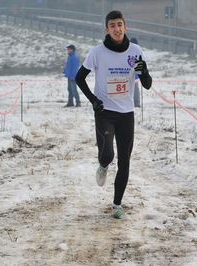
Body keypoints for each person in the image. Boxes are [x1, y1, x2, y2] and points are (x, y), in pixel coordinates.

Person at [75, 10, 152, 220]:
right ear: (107, 29)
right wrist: (94, 100)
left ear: (125, 27)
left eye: (120, 24)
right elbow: (79, 78)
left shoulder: (135, 51)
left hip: (127, 114)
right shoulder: (97, 53)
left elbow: (146, 84)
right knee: (108, 154)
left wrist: (144, 72)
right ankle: (103, 167)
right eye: (112, 25)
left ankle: (117, 205)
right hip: (105, 113)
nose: (116, 29)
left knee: (125, 161)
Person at [130, 37, 141, 107]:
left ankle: (136, 102)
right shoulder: (138, 51)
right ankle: (136, 102)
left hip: (134, 74)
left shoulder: (134, 51)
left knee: (134, 88)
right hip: (134, 74)